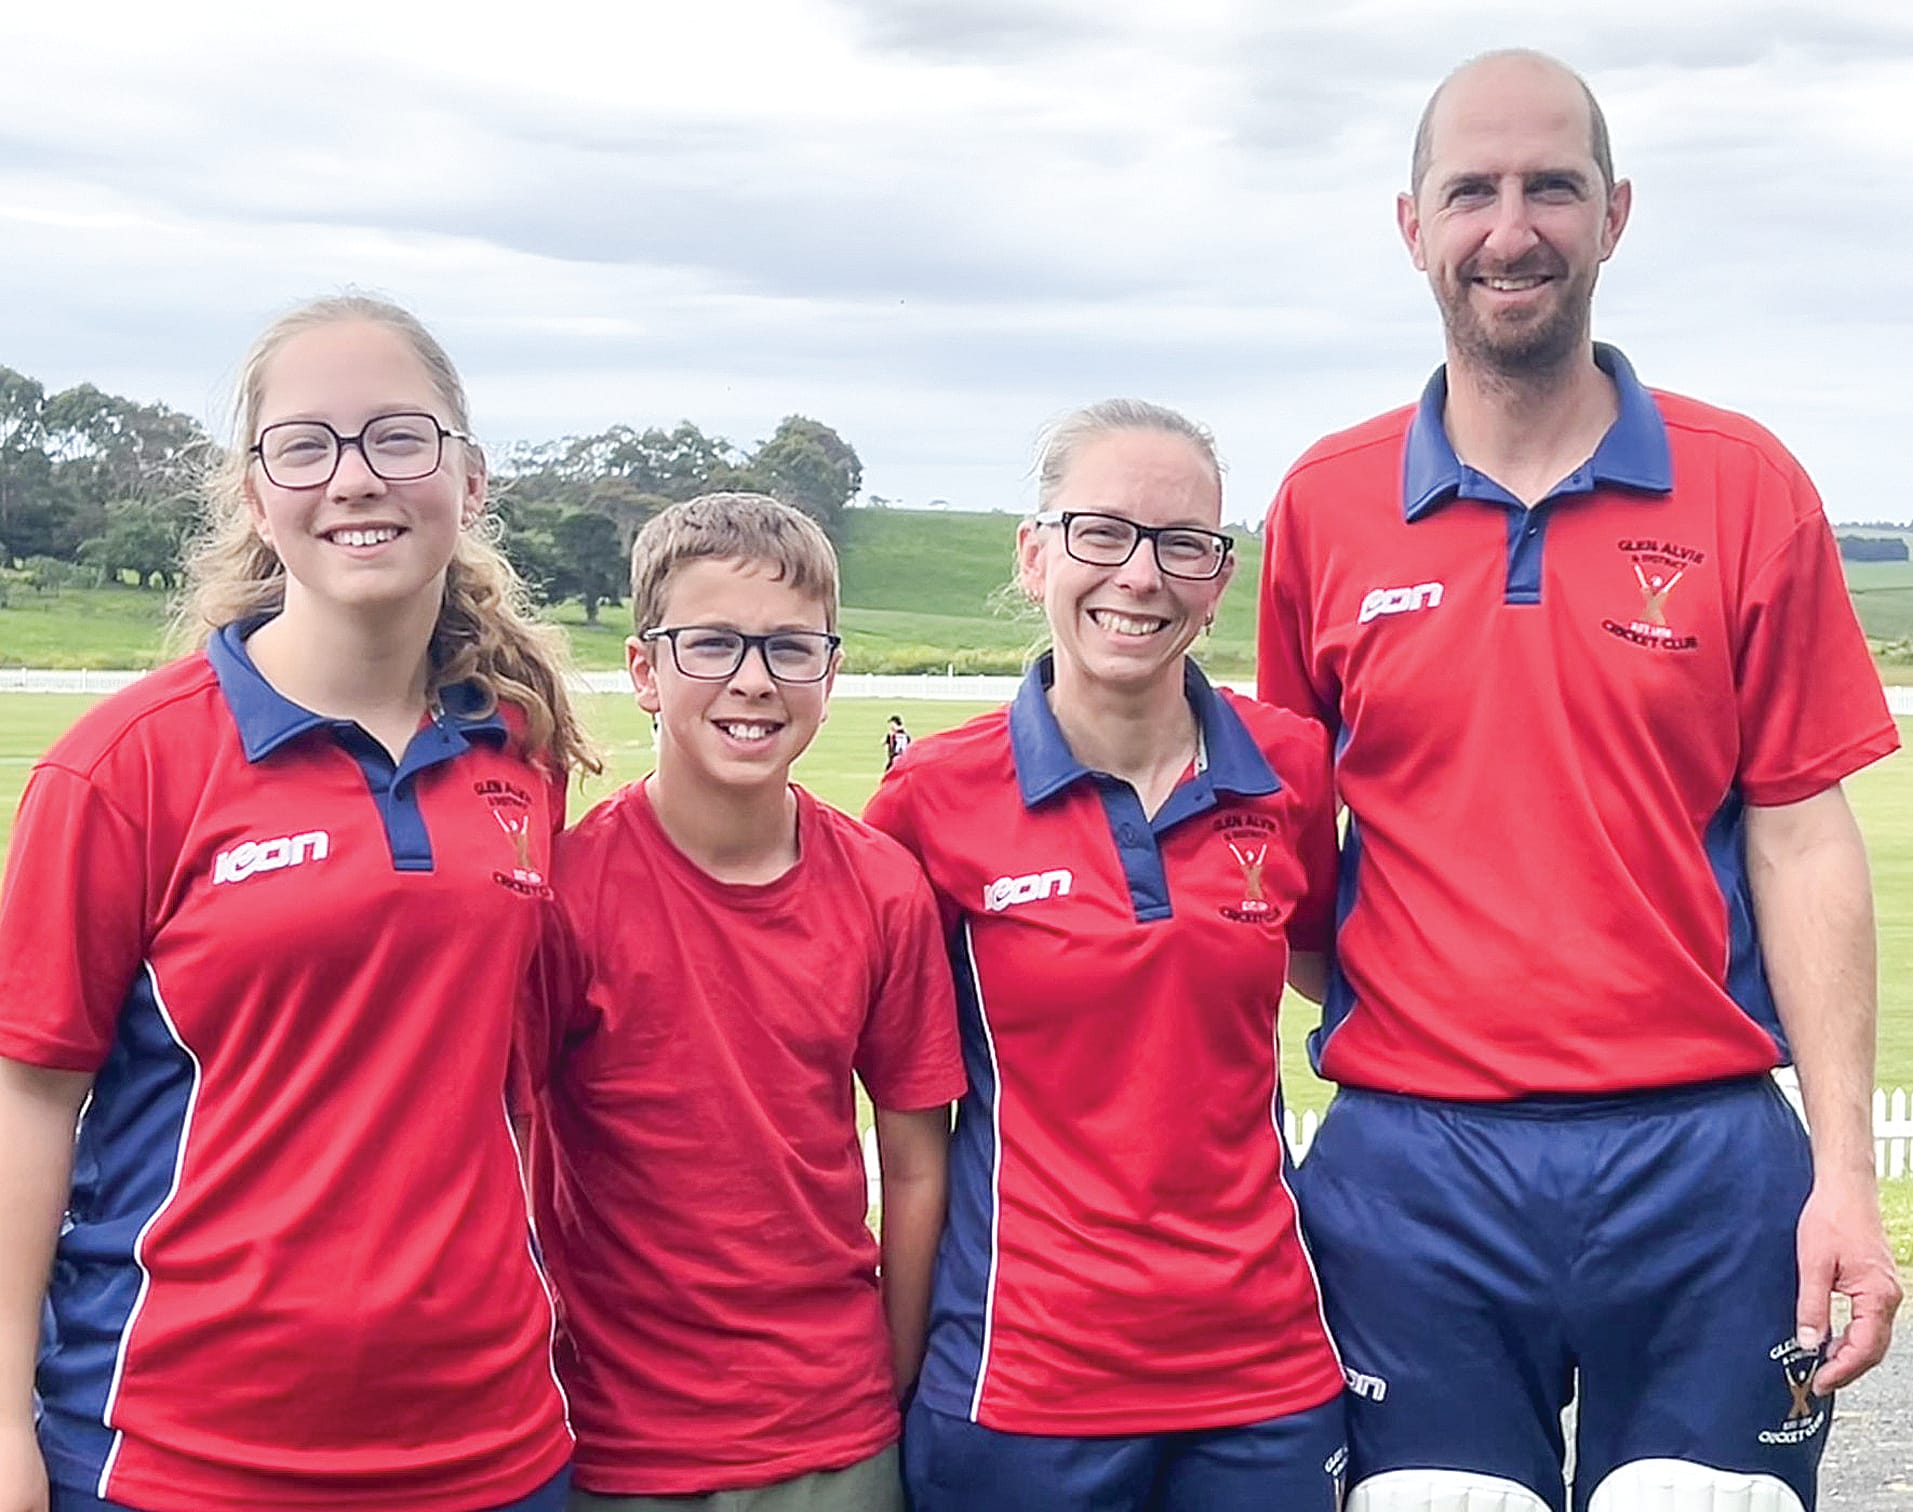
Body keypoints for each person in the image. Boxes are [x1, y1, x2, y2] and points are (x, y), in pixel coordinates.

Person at [1257, 50, 1902, 1512]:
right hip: (1411, 1170)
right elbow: (1288, 840)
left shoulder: (1747, 486)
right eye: (1469, 190)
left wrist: (1845, 1178)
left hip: (1703, 1157)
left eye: (1550, 185)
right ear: (1409, 224)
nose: (1510, 226)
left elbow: (1804, 837)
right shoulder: (1325, 501)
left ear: (1613, 215)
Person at [0, 295, 597, 1512]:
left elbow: (511, 1086)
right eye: (307, 446)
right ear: (260, 495)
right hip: (178, 1450)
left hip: (490, 1448)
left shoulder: (518, 754)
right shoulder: (127, 766)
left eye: (398, 439)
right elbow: (27, 1101)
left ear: (470, 481)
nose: (356, 480)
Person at [864, 400, 1347, 1512]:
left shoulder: (1286, 768)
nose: (1140, 576)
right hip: (1022, 1382)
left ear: (1217, 578)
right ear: (1034, 555)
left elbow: (1336, 973)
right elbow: (892, 1110)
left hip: (1264, 1375)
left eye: (1182, 544)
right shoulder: (930, 801)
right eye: (1101, 533)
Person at [520, 493, 965, 1512]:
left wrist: (885, 1384)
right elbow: (502, 1144)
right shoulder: (566, 891)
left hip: (833, 1433)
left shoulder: (882, 888)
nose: (754, 681)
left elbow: (910, 1163)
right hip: (611, 1437)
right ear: (645, 671)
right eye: (712, 644)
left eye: (789, 649)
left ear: (831, 670)